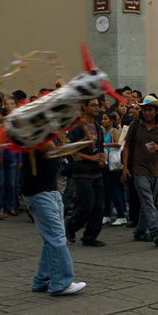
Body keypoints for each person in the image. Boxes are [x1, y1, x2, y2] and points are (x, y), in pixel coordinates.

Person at [23, 143, 86, 296]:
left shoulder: (43, 131)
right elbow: (53, 150)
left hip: (50, 190)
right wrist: (80, 144)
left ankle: (42, 279)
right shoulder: (37, 133)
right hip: (39, 192)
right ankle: (60, 283)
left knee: (52, 238)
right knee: (56, 237)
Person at [122, 95, 158, 245]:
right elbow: (127, 147)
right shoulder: (135, 126)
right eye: (144, 110)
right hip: (139, 170)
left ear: (156, 111)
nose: (146, 113)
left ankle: (139, 231)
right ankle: (156, 231)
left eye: (149, 110)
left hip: (156, 170)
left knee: (147, 203)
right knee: (148, 201)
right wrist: (125, 167)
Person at [66, 99, 107, 247]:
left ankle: (90, 236)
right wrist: (91, 158)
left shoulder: (97, 127)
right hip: (82, 172)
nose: (97, 109)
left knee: (99, 206)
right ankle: (71, 226)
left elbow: (101, 149)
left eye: (98, 106)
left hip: (96, 172)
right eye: (93, 105)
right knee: (86, 204)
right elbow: (72, 151)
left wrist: (102, 159)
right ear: (84, 107)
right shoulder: (77, 127)